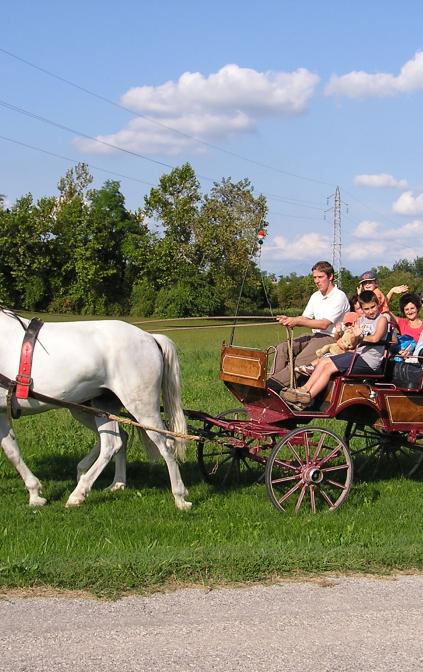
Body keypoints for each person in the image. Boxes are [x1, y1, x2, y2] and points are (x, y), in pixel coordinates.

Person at [281, 290, 389, 410]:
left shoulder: (382, 319)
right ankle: (304, 390)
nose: (371, 311)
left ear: (378, 304)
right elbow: (352, 344)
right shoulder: (361, 320)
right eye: (366, 309)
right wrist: (355, 336)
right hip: (356, 355)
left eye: (373, 307)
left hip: (369, 361)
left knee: (329, 367)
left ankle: (308, 398)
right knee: (323, 361)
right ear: (362, 309)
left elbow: (375, 338)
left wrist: (360, 336)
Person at [268, 261, 350, 390]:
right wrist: (291, 319)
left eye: (320, 277)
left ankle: (273, 386)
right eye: (314, 278)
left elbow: (324, 324)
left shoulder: (339, 296)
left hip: (331, 338)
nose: (317, 281)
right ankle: (274, 383)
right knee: (282, 348)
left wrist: (297, 321)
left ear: (330, 277)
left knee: (301, 359)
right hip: (315, 335)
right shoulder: (315, 296)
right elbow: (305, 318)